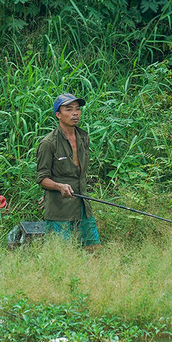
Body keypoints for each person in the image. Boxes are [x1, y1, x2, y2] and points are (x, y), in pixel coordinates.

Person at [35, 93, 99, 250]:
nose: (75, 113)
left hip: (83, 204)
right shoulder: (48, 143)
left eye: (77, 109)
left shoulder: (84, 138)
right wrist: (58, 187)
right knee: (62, 255)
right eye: (69, 109)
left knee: (93, 249)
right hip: (60, 210)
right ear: (58, 115)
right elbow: (42, 178)